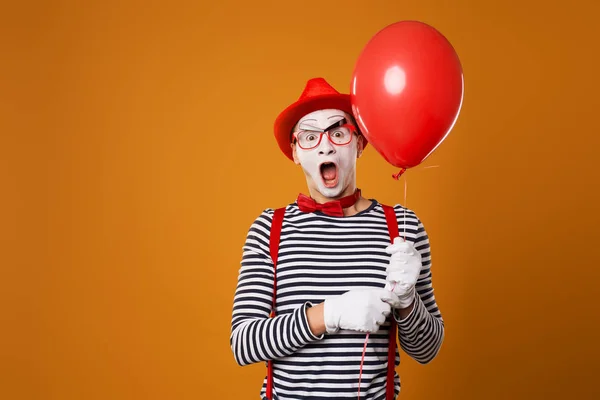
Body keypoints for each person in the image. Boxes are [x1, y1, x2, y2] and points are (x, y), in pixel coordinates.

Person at [230, 77, 444, 400]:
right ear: (296, 153)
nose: (325, 146)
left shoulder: (401, 227)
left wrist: (408, 302)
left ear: (359, 144)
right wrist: (330, 314)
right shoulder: (269, 230)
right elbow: (243, 343)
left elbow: (427, 350)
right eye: (310, 137)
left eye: (338, 133)